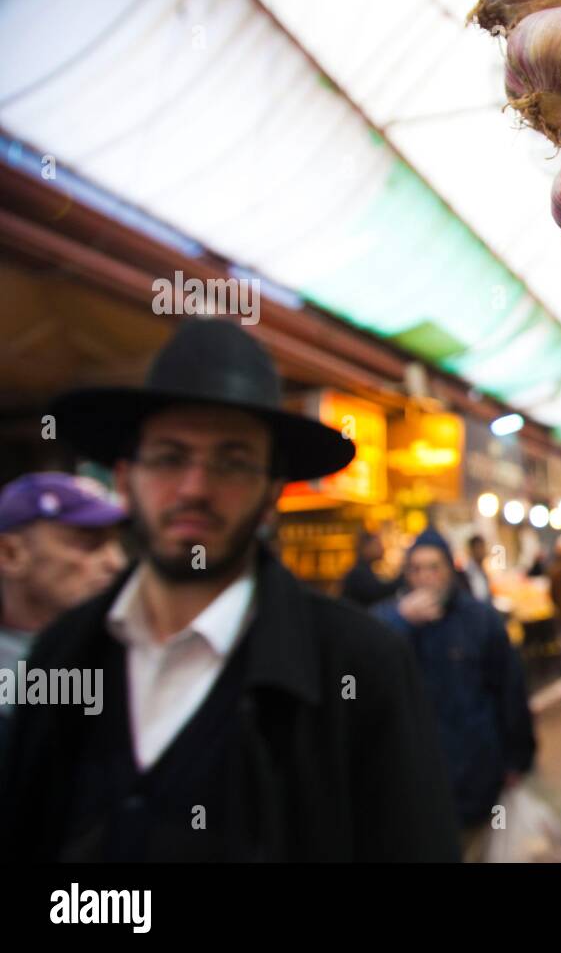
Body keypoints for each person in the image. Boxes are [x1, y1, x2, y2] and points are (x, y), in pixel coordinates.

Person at [0, 319, 460, 861]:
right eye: (170, 457)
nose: (195, 488)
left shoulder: (358, 665)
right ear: (126, 479)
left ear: (271, 495)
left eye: (232, 461)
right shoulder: (66, 651)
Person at [373, 529, 536, 862]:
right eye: (416, 570)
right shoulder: (389, 621)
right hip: (413, 784)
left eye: (434, 568)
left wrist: (516, 757)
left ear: (450, 569)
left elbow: (509, 690)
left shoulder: (480, 619)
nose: (426, 578)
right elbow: (362, 663)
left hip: (474, 775)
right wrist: (401, 622)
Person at [0, 473, 126, 768]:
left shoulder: (137, 650)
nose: (116, 562)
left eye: (117, 542)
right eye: (89, 543)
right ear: (9, 554)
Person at [340, 530, 399, 608]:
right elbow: (378, 593)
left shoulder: (362, 569)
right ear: (366, 547)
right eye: (377, 544)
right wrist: (401, 579)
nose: (382, 548)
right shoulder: (359, 573)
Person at [463, 534, 492, 602]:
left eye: (483, 547)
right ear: (472, 550)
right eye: (479, 547)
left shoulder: (481, 570)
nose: (482, 551)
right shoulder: (469, 572)